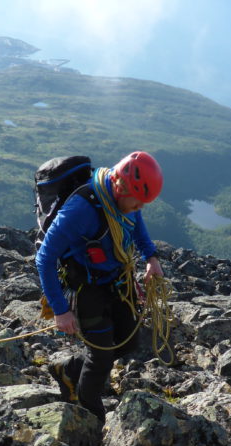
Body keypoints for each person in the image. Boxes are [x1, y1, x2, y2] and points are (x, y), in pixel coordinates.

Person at [35, 151, 164, 422]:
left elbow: (135, 223)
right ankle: (91, 418)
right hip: (87, 289)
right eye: (138, 202)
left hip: (116, 280)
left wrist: (150, 257)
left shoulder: (123, 200)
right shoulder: (80, 210)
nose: (140, 208)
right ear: (120, 186)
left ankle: (71, 369)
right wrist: (60, 310)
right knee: (101, 358)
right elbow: (44, 258)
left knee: (129, 342)